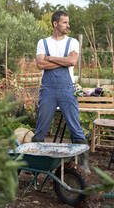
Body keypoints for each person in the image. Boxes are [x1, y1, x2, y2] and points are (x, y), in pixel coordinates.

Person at [32, 10, 87, 146]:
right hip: (47, 91)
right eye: (65, 22)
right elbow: (40, 64)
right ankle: (37, 161)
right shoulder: (43, 42)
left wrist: (50, 58)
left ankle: (81, 164)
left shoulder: (73, 42)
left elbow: (72, 62)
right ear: (55, 24)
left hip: (67, 90)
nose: (68, 25)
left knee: (76, 129)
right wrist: (63, 60)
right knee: (40, 129)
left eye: (68, 22)